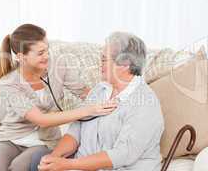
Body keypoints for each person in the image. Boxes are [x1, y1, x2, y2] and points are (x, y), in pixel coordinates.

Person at [0, 24, 116, 171]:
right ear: (21, 57)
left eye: (47, 49)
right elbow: (41, 120)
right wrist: (88, 110)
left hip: (45, 140)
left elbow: (83, 92)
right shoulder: (8, 83)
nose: (46, 56)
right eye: (40, 53)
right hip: (11, 138)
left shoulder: (58, 65)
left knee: (18, 167)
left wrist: (109, 97)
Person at [38, 32, 165, 171]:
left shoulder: (145, 103)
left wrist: (68, 164)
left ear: (124, 64)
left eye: (104, 59)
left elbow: (123, 154)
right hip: (81, 166)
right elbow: (75, 132)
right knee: (36, 161)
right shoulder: (100, 90)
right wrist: (54, 158)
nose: (100, 64)